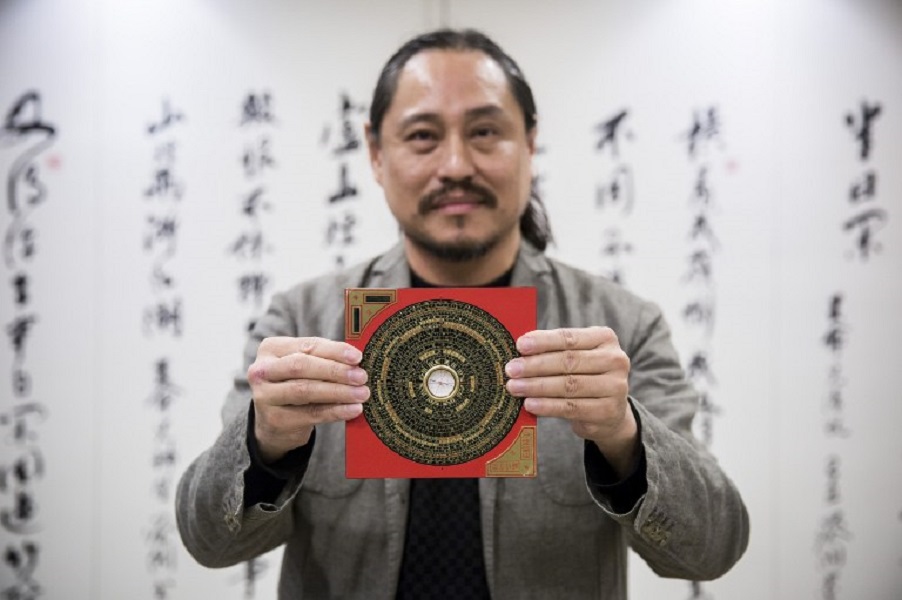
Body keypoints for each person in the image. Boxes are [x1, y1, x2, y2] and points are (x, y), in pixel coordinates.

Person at [176, 28, 749, 600]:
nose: (455, 165)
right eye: (423, 136)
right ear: (375, 153)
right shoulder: (302, 322)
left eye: (485, 132)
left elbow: (713, 547)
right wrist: (266, 442)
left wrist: (623, 436)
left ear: (529, 143)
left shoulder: (618, 327)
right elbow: (211, 542)